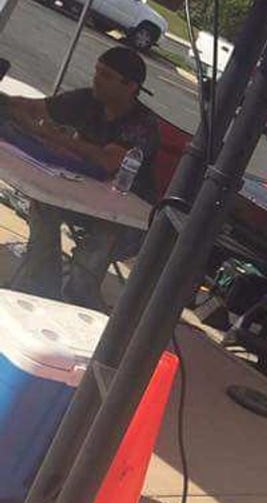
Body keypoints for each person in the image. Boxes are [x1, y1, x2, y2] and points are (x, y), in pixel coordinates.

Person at [3, 45, 158, 308]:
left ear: (130, 86)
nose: (96, 79)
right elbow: (36, 107)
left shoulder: (143, 124)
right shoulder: (88, 100)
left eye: (106, 75)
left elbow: (108, 160)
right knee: (44, 205)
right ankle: (39, 283)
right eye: (97, 71)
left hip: (127, 219)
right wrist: (8, 103)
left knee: (99, 246)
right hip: (81, 198)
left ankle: (76, 301)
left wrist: (52, 137)